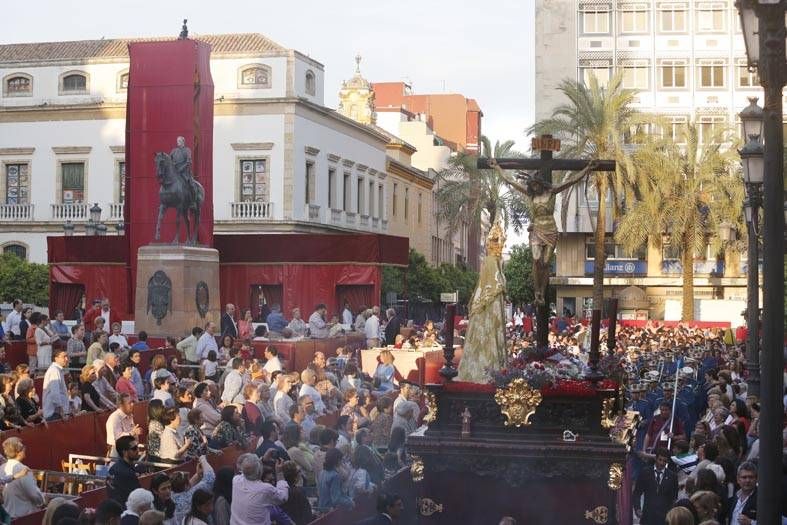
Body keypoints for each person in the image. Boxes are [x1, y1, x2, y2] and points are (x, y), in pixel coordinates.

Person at [456, 222, 508, 382]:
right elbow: (495, 283)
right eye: (496, 242)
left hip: (491, 301)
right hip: (491, 303)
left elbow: (491, 283)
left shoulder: (494, 261)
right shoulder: (493, 261)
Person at [230, 454, 289, 525]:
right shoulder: (265, 489)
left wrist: (263, 459)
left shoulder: (236, 480)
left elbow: (248, 470)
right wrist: (279, 473)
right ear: (260, 471)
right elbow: (283, 497)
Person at [632, 448, 679, 525]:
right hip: (647, 517)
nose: (661, 463)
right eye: (660, 460)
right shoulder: (645, 472)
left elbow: (674, 498)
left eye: (664, 461)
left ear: (667, 462)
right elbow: (637, 493)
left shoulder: (672, 476)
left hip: (664, 518)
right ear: (656, 459)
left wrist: (671, 515)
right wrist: (637, 509)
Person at [1, 437, 43, 518]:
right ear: (19, 453)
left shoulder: (1, 468)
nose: (25, 449)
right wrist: (43, 500)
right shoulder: (24, 470)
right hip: (24, 517)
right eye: (23, 448)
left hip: (6, 516)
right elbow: (33, 495)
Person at [171, 456, 215, 525]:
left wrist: (197, 475)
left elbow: (185, 487)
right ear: (186, 485)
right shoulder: (190, 495)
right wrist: (203, 459)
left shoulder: (171, 497)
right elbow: (210, 478)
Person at [107, 435, 142, 506]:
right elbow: (138, 497)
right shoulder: (126, 472)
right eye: (134, 448)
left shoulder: (114, 468)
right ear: (125, 452)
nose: (138, 450)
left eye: (138, 447)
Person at [106, 393, 142, 458]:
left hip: (129, 452)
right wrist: (133, 433)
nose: (132, 404)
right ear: (121, 405)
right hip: (117, 453)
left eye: (132, 402)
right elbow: (118, 438)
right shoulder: (114, 418)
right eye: (129, 403)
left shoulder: (130, 415)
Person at [42, 349, 70, 421]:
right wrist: (62, 412)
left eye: (67, 356)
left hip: (57, 413)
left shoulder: (57, 370)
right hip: (54, 414)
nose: (66, 359)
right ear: (56, 358)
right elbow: (55, 393)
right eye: (64, 357)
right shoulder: (54, 370)